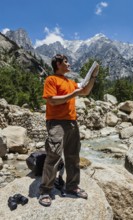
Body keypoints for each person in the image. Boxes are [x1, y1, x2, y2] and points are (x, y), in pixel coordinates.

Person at [39, 54, 99, 207]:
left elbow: (85, 91)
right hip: (56, 123)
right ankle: (45, 190)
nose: (69, 63)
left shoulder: (70, 82)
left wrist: (93, 77)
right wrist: (73, 94)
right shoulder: (51, 80)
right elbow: (51, 100)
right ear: (58, 64)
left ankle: (72, 186)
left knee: (73, 156)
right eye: (66, 62)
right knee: (54, 155)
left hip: (72, 122)